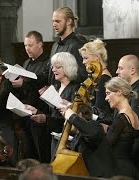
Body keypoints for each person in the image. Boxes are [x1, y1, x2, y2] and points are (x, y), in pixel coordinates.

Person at [25, 52, 79, 159]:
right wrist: (37, 112)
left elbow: (72, 121)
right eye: (53, 67)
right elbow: (52, 115)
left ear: (68, 67)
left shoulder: (75, 89)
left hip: (67, 142)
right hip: (53, 138)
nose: (53, 70)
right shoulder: (55, 88)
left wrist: (46, 119)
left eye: (57, 67)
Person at [12, 31, 51, 163]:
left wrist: (24, 83)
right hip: (26, 114)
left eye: (30, 45)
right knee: (29, 155)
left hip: (40, 113)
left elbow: (42, 82)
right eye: (25, 45)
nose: (27, 48)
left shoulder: (48, 62)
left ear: (40, 44)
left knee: (42, 155)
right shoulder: (26, 63)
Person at [60, 103, 117, 178]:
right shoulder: (77, 136)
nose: (65, 123)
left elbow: (92, 133)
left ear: (79, 115)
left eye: (66, 119)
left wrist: (72, 117)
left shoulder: (95, 125)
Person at [116, 54, 139, 178]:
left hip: (131, 153)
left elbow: (133, 127)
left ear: (132, 70)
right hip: (127, 151)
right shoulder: (131, 91)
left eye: (120, 68)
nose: (117, 71)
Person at [103, 77, 139, 179]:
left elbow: (105, 145)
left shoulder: (121, 118)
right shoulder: (134, 115)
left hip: (118, 170)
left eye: (108, 93)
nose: (106, 98)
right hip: (130, 168)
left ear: (119, 92)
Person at [41, 6, 87, 88]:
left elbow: (82, 75)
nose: (54, 24)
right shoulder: (55, 45)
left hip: (69, 95)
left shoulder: (77, 44)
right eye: (53, 21)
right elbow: (48, 73)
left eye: (57, 21)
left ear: (69, 21)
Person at [79, 38, 112, 114]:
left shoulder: (103, 79)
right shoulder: (99, 78)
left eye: (86, 58)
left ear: (97, 57)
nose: (83, 62)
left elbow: (99, 111)